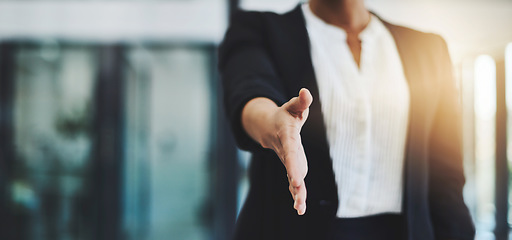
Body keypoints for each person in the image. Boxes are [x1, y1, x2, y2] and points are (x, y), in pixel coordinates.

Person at [218, 0, 475, 239]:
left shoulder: (428, 49)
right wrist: (274, 123)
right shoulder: (259, 29)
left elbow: (446, 178)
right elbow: (250, 90)